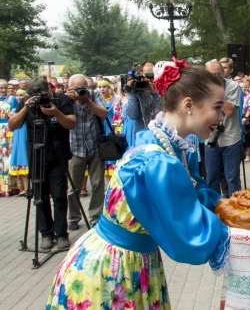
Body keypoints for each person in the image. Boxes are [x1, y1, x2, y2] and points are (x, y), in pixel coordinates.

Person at [46, 58, 230, 309]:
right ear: (189, 105)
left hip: (130, 260)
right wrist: (238, 233)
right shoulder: (158, 161)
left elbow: (192, 195)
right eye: (217, 107)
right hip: (114, 271)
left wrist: (227, 207)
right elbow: (189, 238)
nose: (221, 117)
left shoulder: (164, 142)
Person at [8, 78, 76, 250]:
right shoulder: (25, 102)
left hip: (57, 155)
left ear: (49, 89)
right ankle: (46, 234)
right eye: (35, 95)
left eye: (43, 93)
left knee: (59, 195)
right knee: (40, 197)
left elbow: (71, 123)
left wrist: (55, 113)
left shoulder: (61, 100)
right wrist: (25, 108)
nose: (40, 97)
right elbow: (13, 125)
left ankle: (61, 234)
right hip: (36, 155)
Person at [65, 75, 109, 230]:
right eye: (77, 87)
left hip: (95, 145)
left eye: (83, 87)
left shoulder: (94, 94)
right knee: (73, 186)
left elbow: (103, 114)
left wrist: (87, 100)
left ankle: (95, 216)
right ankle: (73, 218)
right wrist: (69, 99)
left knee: (97, 184)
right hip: (74, 147)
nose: (81, 90)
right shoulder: (66, 98)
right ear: (69, 87)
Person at [205, 59, 243, 196]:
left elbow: (229, 111)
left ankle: (236, 211)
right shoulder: (203, 87)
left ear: (224, 72)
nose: (216, 77)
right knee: (212, 179)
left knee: (232, 179)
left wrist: (217, 91)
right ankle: (214, 211)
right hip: (210, 139)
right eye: (212, 74)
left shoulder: (232, 86)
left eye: (218, 74)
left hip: (230, 140)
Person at [124, 61, 161, 147]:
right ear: (141, 74)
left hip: (159, 137)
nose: (149, 79)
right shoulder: (137, 90)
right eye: (146, 75)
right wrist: (132, 92)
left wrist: (155, 95)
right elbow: (133, 115)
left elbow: (160, 114)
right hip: (142, 137)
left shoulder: (162, 90)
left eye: (151, 75)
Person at [97, 78, 123, 180]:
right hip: (100, 130)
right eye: (99, 87)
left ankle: (111, 186)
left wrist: (116, 132)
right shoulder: (96, 101)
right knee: (103, 158)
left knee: (111, 156)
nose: (102, 89)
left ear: (109, 88)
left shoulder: (115, 101)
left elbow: (117, 117)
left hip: (110, 130)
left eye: (104, 87)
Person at [9, 89, 30, 196]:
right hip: (18, 137)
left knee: (27, 159)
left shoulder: (29, 109)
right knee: (21, 161)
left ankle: (30, 188)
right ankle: (25, 188)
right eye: (17, 95)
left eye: (21, 95)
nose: (19, 97)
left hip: (26, 136)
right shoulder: (14, 110)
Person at [0, 79, 19, 196]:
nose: (3, 90)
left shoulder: (13, 100)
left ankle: (11, 186)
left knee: (7, 156)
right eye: (0, 88)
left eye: (5, 88)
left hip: (8, 130)